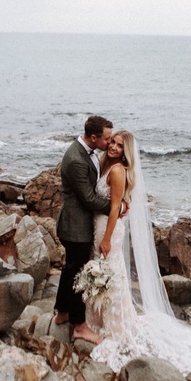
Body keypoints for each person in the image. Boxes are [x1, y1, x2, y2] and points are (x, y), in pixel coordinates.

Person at [84, 130, 191, 374]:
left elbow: (115, 207)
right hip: (100, 226)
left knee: (111, 273)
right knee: (106, 271)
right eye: (113, 143)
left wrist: (107, 238)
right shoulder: (106, 165)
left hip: (109, 230)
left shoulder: (118, 170)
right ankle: (99, 318)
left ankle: (115, 326)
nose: (114, 148)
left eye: (120, 146)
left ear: (126, 152)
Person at [54, 115, 114, 343]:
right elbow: (89, 199)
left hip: (76, 223)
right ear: (93, 137)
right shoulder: (76, 160)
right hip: (75, 226)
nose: (109, 142)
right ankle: (79, 325)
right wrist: (116, 207)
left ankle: (61, 312)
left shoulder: (87, 153)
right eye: (107, 139)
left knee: (70, 269)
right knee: (79, 274)